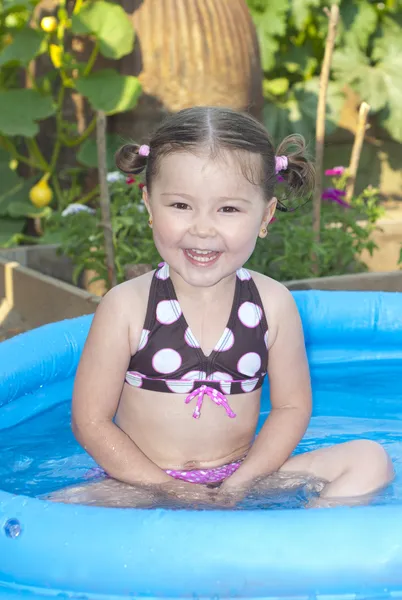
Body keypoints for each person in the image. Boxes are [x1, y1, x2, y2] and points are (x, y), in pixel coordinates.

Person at [48, 107, 393, 509]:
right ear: (148, 205)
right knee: (58, 510)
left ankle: (304, 545)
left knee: (370, 459)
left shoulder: (273, 304)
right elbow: (90, 422)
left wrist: (241, 483)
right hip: (140, 484)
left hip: (244, 478)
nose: (202, 228)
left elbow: (291, 407)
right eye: (180, 206)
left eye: (228, 209)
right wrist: (170, 489)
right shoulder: (126, 306)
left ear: (265, 216)